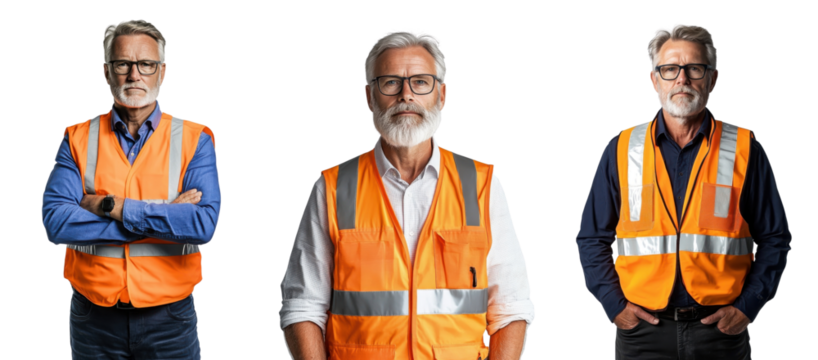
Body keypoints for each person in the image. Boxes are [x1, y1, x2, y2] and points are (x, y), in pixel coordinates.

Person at [277, 28, 537, 360]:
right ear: (368, 97)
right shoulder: (333, 187)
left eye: (420, 82)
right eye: (390, 82)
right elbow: (302, 307)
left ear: (441, 95)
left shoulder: (482, 185)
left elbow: (511, 308)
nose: (406, 95)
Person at [574, 22, 792, 359]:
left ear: (713, 78)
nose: (682, 79)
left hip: (720, 332)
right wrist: (614, 305)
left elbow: (775, 237)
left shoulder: (746, 148)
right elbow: (591, 237)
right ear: (653, 80)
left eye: (694, 68)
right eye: (670, 69)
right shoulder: (621, 149)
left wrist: (748, 308)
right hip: (641, 333)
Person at [40, 18, 221, 359]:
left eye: (146, 64)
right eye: (122, 63)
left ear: (163, 72)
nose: (134, 75)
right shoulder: (76, 138)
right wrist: (165, 213)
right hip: (93, 317)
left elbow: (203, 225)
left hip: (170, 318)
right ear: (106, 72)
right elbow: (56, 222)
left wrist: (111, 206)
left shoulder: (195, 139)